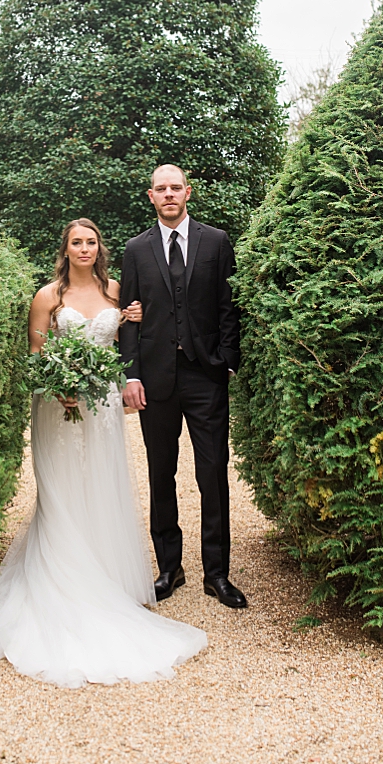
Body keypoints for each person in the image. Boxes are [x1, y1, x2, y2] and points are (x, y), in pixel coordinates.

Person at [0, 219, 206, 687]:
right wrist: (57, 387)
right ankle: (61, 581)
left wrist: (132, 321)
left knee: (101, 485)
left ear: (99, 248)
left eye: (91, 242)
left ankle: (105, 579)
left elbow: (127, 342)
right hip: (57, 408)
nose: (84, 248)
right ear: (65, 249)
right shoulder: (47, 297)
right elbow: (36, 356)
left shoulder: (116, 290)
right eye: (76, 242)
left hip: (99, 405)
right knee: (61, 489)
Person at [119, 165, 246, 609]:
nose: (169, 195)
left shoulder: (216, 241)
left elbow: (229, 306)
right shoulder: (135, 250)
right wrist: (131, 374)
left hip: (206, 375)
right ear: (150, 196)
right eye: (161, 189)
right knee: (160, 473)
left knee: (212, 473)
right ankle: (169, 569)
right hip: (155, 379)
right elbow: (128, 315)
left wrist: (227, 362)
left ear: (187, 192)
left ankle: (217, 574)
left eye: (176, 188)